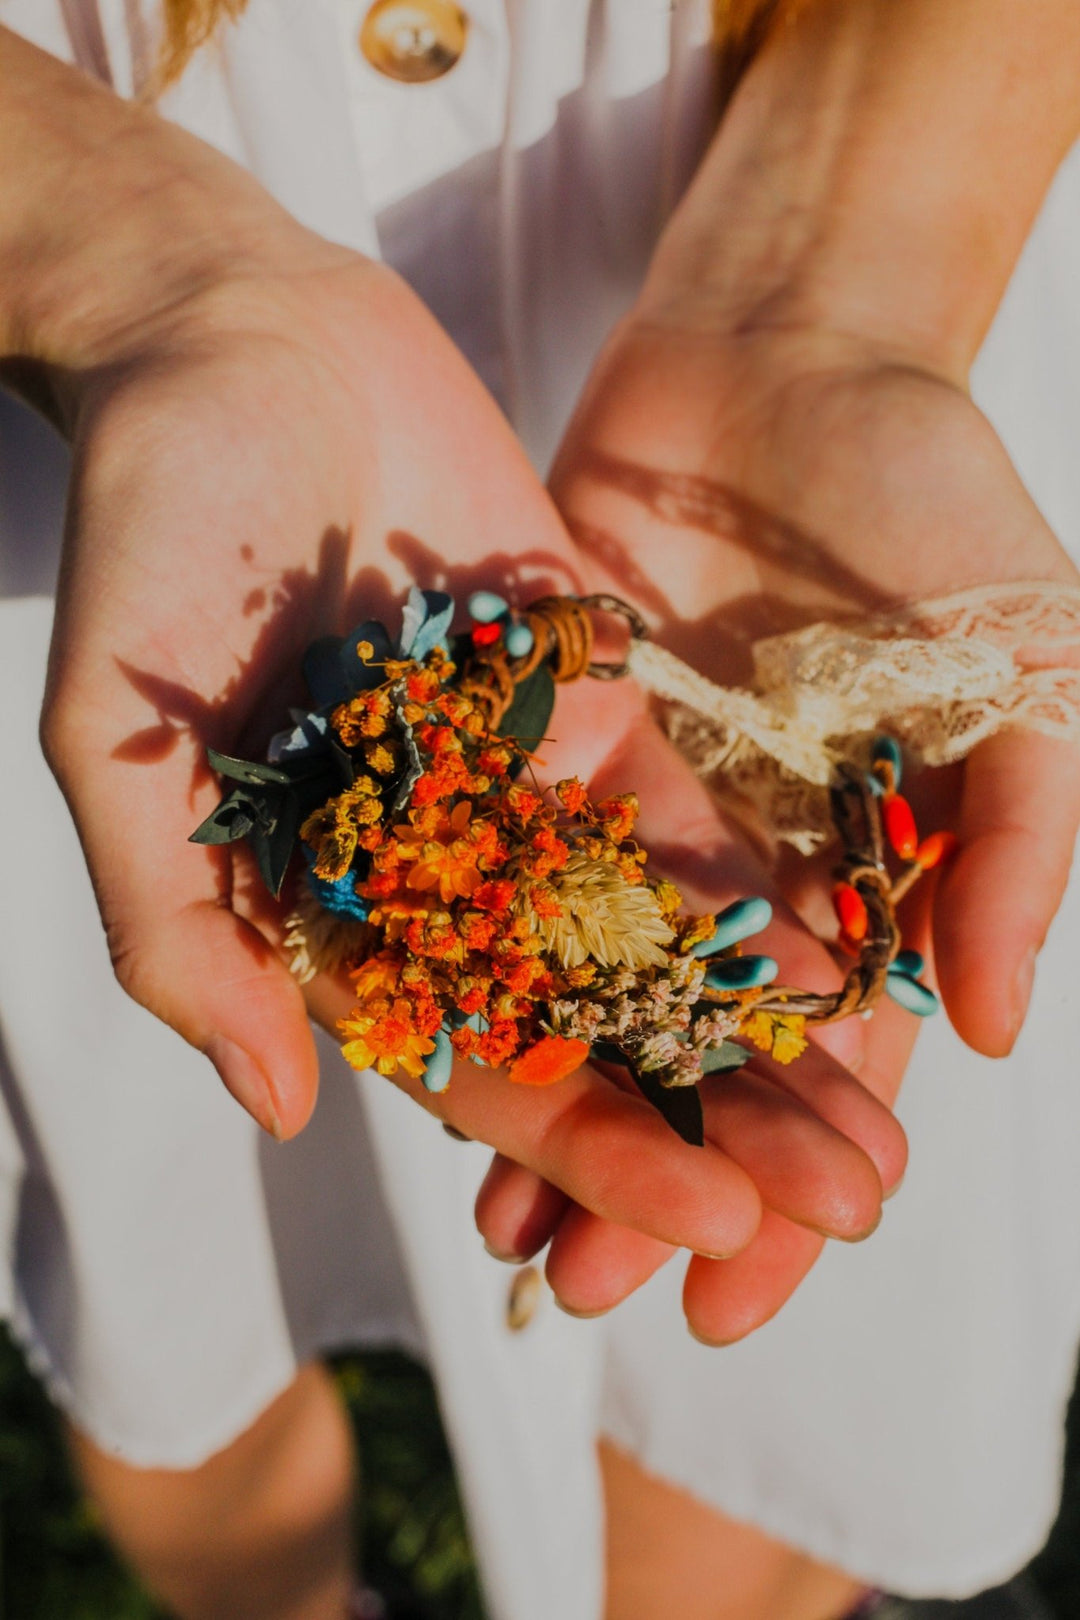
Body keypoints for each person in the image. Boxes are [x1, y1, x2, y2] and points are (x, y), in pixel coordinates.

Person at [0, 3, 1076, 1619]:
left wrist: (848, 281)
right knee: (193, 1261)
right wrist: (110, 250)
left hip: (804, 189)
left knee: (751, 1384)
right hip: (113, 465)